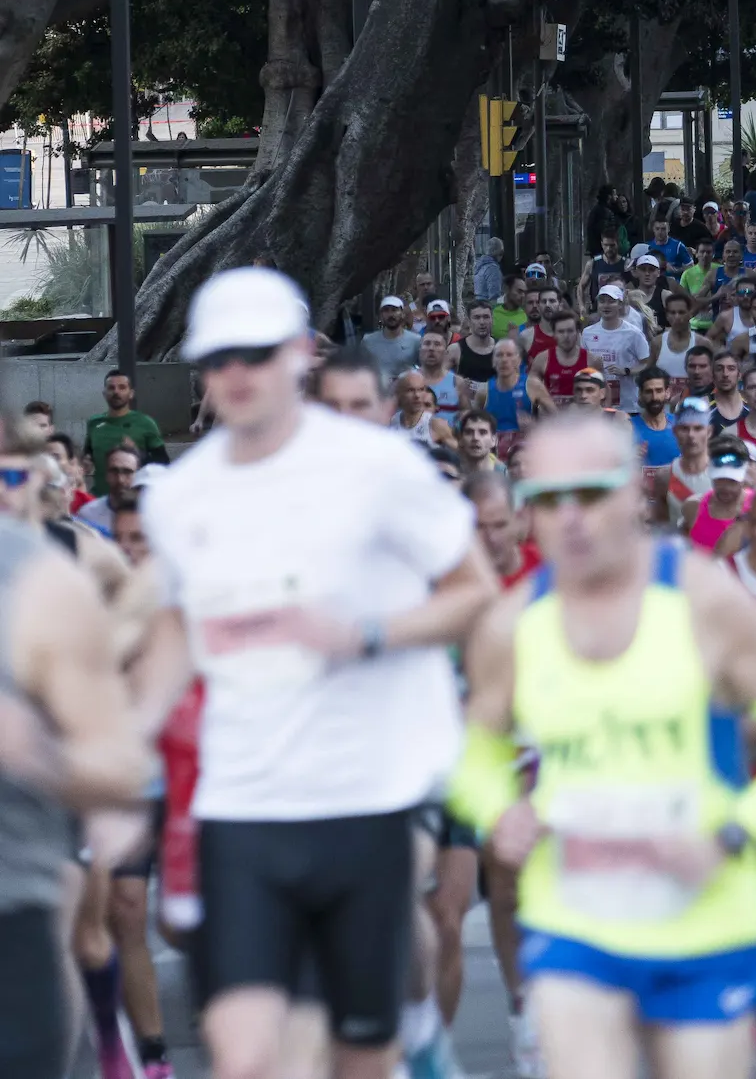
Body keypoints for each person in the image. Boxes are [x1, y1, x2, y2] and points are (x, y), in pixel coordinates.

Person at [131, 268, 500, 1079]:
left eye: (254, 356)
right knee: (244, 1049)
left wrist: (364, 632)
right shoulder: (182, 497)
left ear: (299, 354)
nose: (234, 375)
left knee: (358, 1054)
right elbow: (171, 636)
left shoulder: (378, 468)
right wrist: (125, 751)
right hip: (243, 803)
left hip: (364, 798)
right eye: (216, 358)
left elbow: (474, 591)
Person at [445, 412, 756, 1078]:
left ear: (634, 493)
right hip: (574, 920)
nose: (571, 518)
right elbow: (472, 747)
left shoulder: (704, 599)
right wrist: (498, 810)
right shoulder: (511, 626)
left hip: (703, 919)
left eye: (591, 494)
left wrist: (736, 831)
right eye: (549, 500)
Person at [0, 410, 158, 1078]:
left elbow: (119, 764)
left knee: (83, 930)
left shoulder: (57, 569)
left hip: (18, 878)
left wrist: (40, 750)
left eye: (9, 475)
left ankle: (116, 1047)